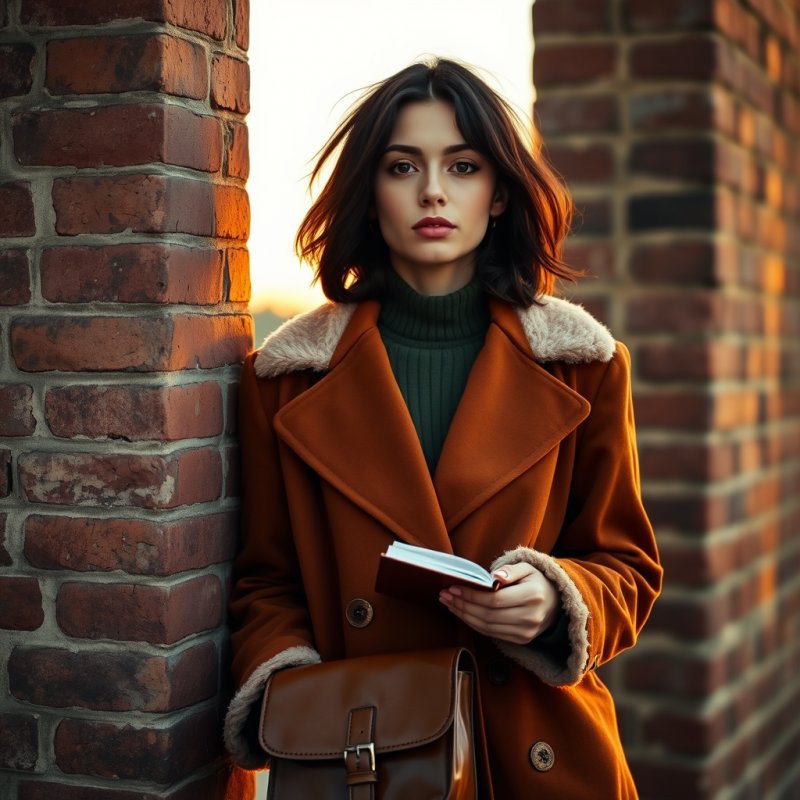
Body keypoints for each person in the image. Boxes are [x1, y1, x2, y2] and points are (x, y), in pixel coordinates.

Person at [223, 57, 662, 799]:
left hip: (541, 753)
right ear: (370, 195)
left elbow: (628, 566)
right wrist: (298, 696)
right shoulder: (286, 380)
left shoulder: (583, 366)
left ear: (499, 193)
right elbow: (266, 583)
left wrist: (558, 601)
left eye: (463, 166)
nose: (433, 190)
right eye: (403, 167)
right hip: (372, 759)